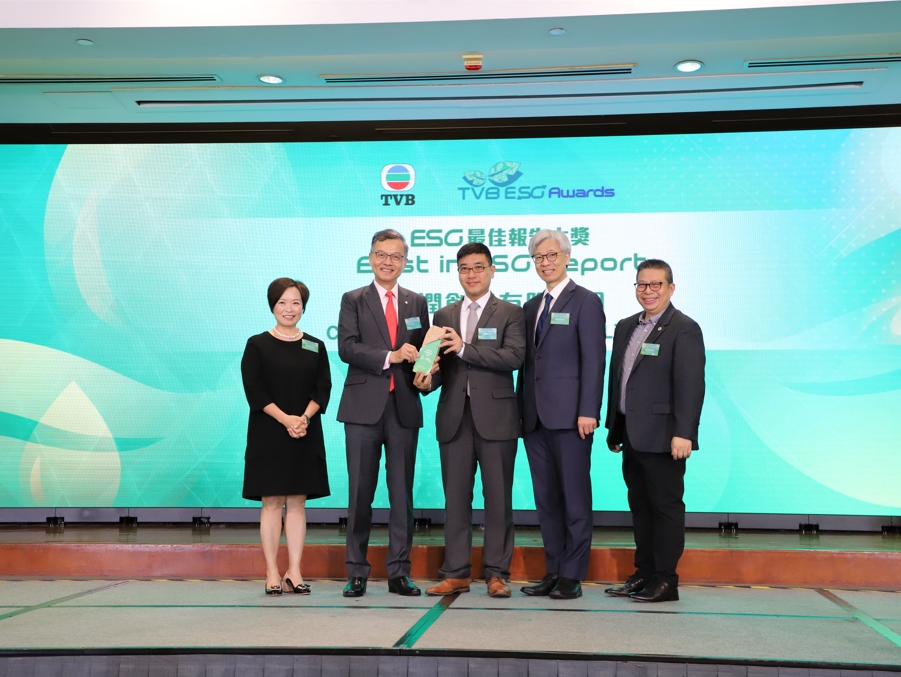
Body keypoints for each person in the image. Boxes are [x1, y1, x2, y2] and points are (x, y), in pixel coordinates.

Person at [418, 243, 526, 598]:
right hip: (454, 418)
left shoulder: (510, 312)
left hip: (497, 419)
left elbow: (513, 357)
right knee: (455, 500)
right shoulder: (443, 315)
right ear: (458, 273)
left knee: (498, 499)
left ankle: (497, 574)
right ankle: (456, 573)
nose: (472, 274)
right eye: (465, 268)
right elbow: (437, 367)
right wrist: (425, 380)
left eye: (479, 267)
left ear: (492, 270)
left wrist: (465, 348)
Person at [604, 259, 705, 603]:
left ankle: (665, 580)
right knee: (641, 508)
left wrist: (685, 432)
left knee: (665, 509)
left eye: (656, 284)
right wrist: (615, 427)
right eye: (642, 284)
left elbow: (691, 385)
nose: (648, 291)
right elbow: (619, 380)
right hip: (632, 435)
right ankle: (644, 573)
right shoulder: (625, 326)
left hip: (665, 437)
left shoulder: (684, 328)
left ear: (670, 288)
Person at [336, 229, 431, 597]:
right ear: (370, 257)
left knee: (401, 494)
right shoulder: (353, 299)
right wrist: (391, 356)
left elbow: (425, 353)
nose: (387, 261)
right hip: (362, 408)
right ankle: (357, 571)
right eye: (381, 254)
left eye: (395, 256)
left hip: (403, 406)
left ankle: (399, 572)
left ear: (405, 261)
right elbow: (347, 347)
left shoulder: (416, 302)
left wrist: (427, 376)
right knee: (360, 493)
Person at [516, 229, 606, 600]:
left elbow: (594, 361)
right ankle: (553, 570)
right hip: (535, 419)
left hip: (572, 419)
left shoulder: (585, 301)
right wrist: (521, 411)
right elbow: (527, 367)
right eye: (539, 257)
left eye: (552, 255)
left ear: (567, 257)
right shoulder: (530, 307)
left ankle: (572, 574)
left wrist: (588, 410)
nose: (546, 263)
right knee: (547, 500)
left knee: (574, 498)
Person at [241, 278, 331, 596]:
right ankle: (271, 572)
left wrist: (303, 419)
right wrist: (286, 419)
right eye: (282, 302)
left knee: (297, 503)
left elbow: (323, 388)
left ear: (303, 307)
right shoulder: (257, 344)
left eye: (295, 302)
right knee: (271, 503)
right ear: (272, 306)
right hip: (268, 432)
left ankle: (294, 570)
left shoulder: (315, 345)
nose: (289, 308)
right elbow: (255, 390)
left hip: (304, 432)